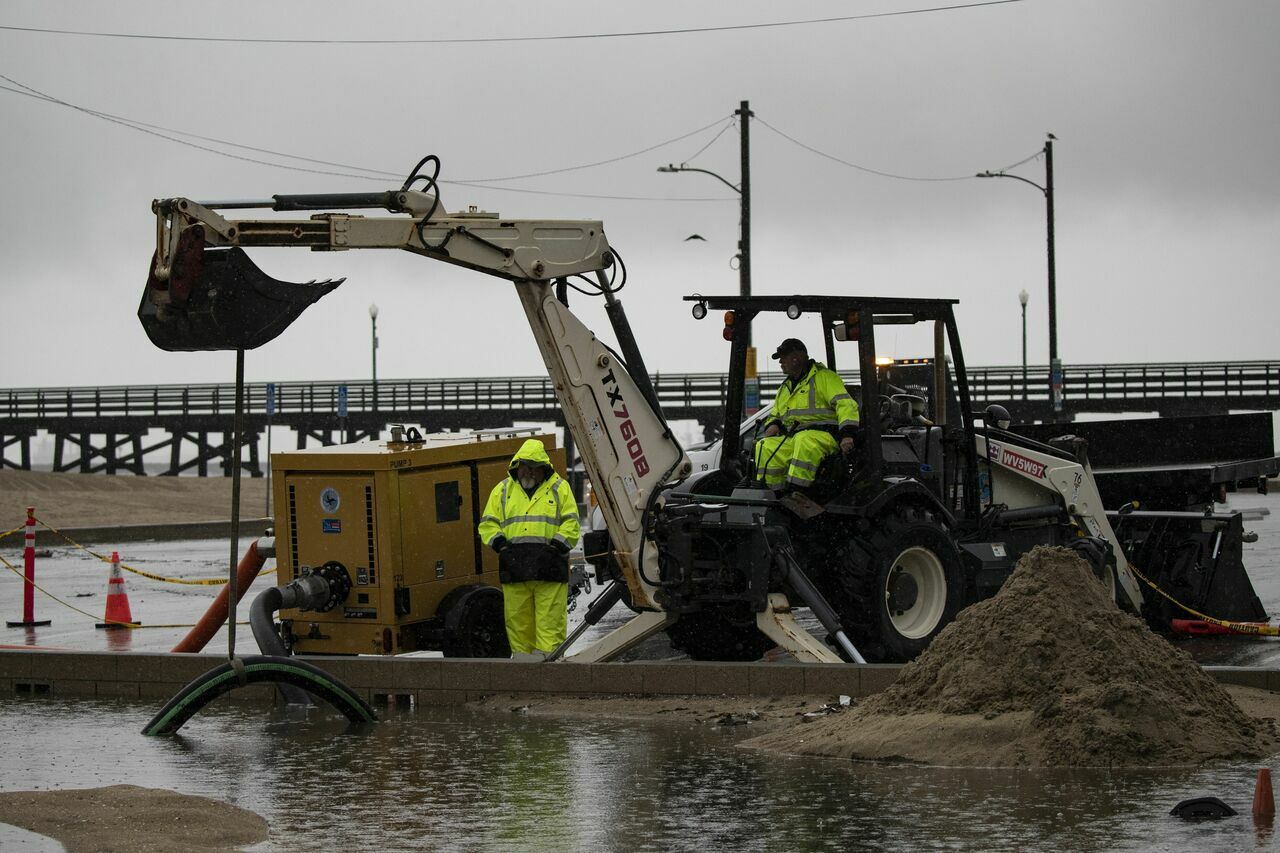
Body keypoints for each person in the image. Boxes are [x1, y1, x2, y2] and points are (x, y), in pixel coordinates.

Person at [477, 438, 581, 657]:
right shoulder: (503, 490)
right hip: (516, 570)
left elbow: (571, 523)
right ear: (518, 466)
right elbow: (487, 523)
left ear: (543, 468)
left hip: (548, 569)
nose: (529, 473)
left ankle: (550, 674)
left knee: (549, 627)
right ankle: (524, 676)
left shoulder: (559, 488)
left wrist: (557, 546)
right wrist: (500, 545)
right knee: (518, 627)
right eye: (525, 467)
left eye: (534, 468)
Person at [752, 338, 860, 492]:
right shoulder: (785, 387)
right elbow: (775, 414)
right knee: (765, 445)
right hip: (794, 437)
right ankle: (772, 494)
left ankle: (798, 494)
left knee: (804, 441)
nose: (781, 362)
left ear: (796, 358)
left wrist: (848, 434)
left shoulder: (824, 377)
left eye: (784, 357)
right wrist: (773, 424)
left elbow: (846, 405)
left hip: (825, 435)